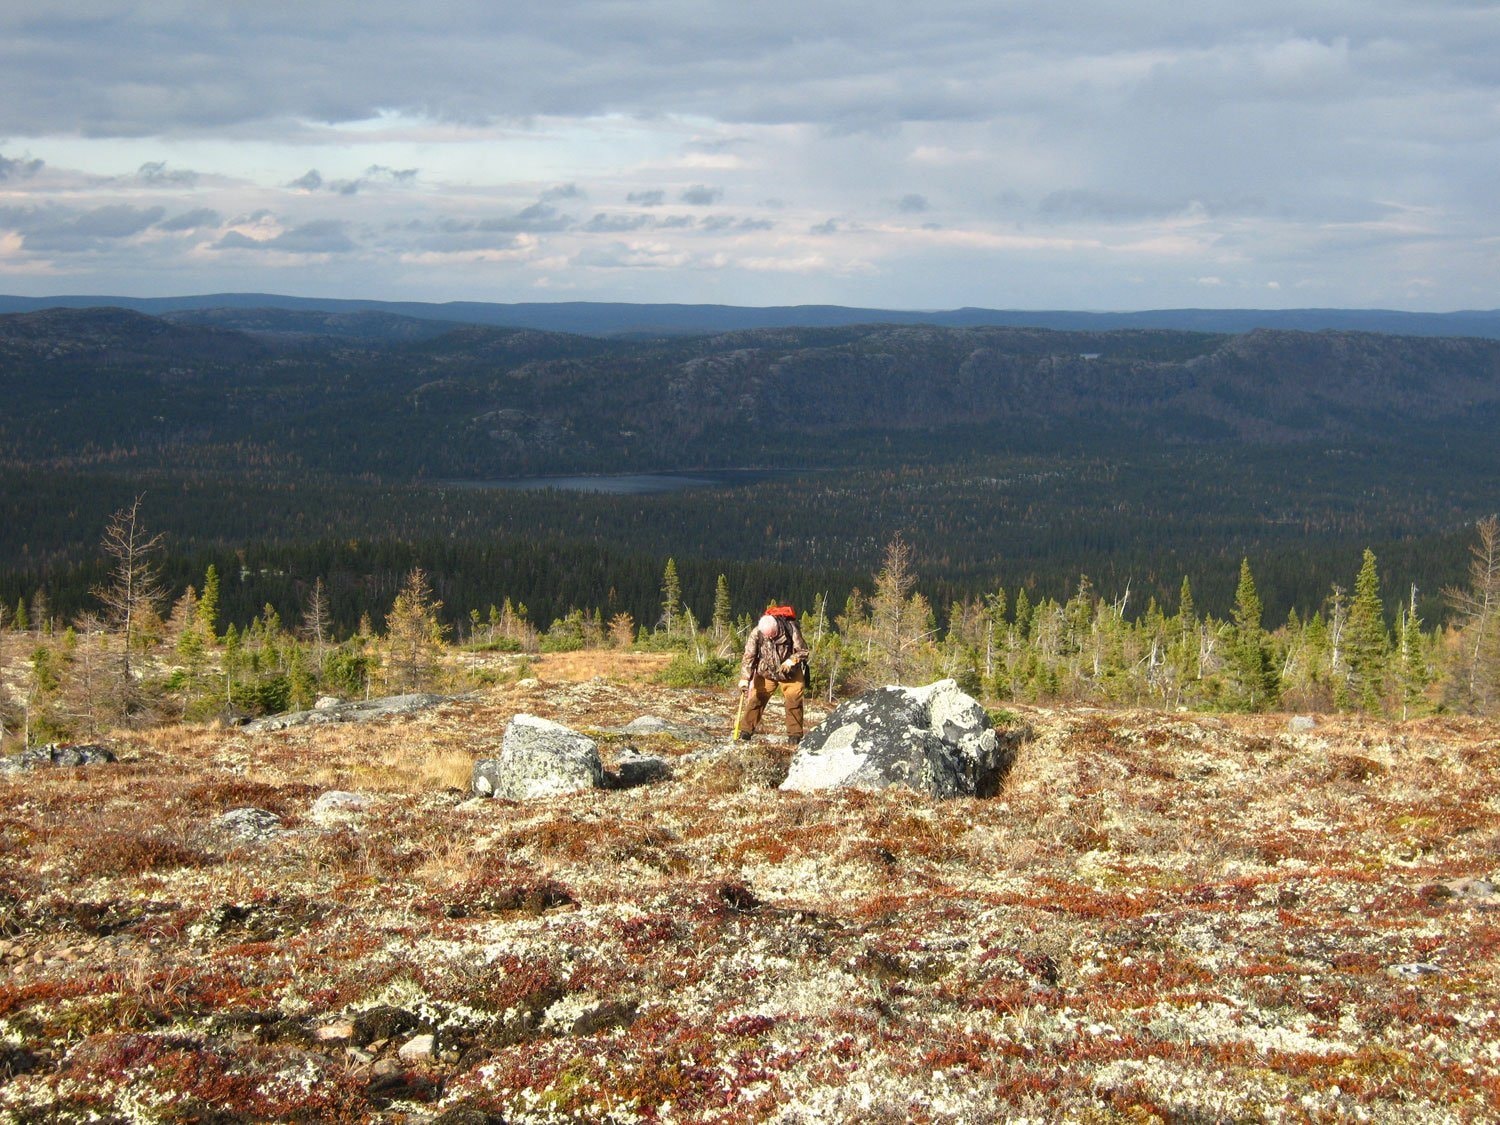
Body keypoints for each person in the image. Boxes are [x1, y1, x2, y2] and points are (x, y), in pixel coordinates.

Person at [737, 607, 811, 744]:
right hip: (767, 672)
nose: (771, 637)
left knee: (794, 702)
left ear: (777, 627)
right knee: (756, 700)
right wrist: (744, 679)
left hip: (790, 673)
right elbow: (749, 656)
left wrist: (791, 661)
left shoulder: (791, 628)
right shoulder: (757, 633)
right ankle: (745, 732)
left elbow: (803, 651)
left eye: (773, 635)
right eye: (768, 636)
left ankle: (794, 736)